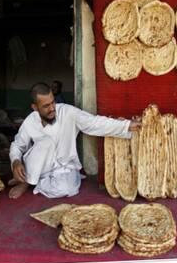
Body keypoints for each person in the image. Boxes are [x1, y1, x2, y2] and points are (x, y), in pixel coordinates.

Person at [8, 82, 141, 199]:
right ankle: (25, 182)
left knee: (67, 189)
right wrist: (15, 161)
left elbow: (94, 123)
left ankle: (32, 179)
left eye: (53, 102)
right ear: (35, 107)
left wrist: (126, 125)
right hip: (40, 165)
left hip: (63, 168)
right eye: (46, 106)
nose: (52, 108)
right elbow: (18, 145)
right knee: (45, 142)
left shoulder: (68, 112)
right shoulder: (30, 121)